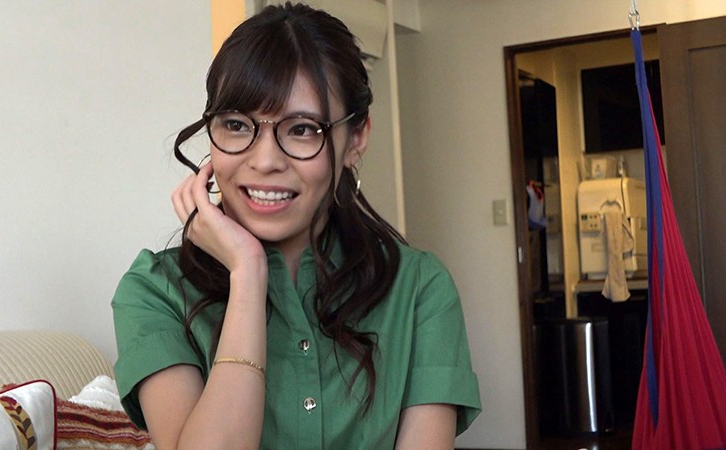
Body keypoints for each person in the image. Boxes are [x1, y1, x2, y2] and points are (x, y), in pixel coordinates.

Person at [111, 3, 481, 449]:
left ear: (356, 138)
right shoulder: (155, 291)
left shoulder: (420, 289)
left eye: (303, 130)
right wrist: (247, 275)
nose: (265, 160)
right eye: (236, 124)